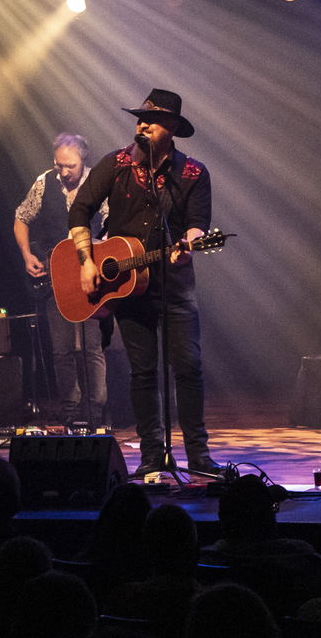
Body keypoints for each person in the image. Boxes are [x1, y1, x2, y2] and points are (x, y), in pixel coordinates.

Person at [67, 89, 221, 478]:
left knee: (188, 367)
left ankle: (198, 456)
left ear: (171, 129)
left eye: (150, 120)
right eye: (139, 118)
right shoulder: (115, 164)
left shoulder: (192, 173)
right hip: (127, 289)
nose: (142, 124)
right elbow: (80, 209)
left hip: (175, 286)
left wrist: (189, 244)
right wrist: (86, 262)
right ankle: (151, 454)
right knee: (143, 372)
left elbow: (197, 223)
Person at [14, 132, 108, 424]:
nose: (64, 172)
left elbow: (110, 223)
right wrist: (27, 255)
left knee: (92, 347)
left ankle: (96, 412)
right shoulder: (45, 182)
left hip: (90, 275)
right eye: (59, 166)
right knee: (61, 349)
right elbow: (21, 217)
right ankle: (70, 411)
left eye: (70, 166)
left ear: (84, 161)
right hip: (56, 276)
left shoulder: (98, 182)